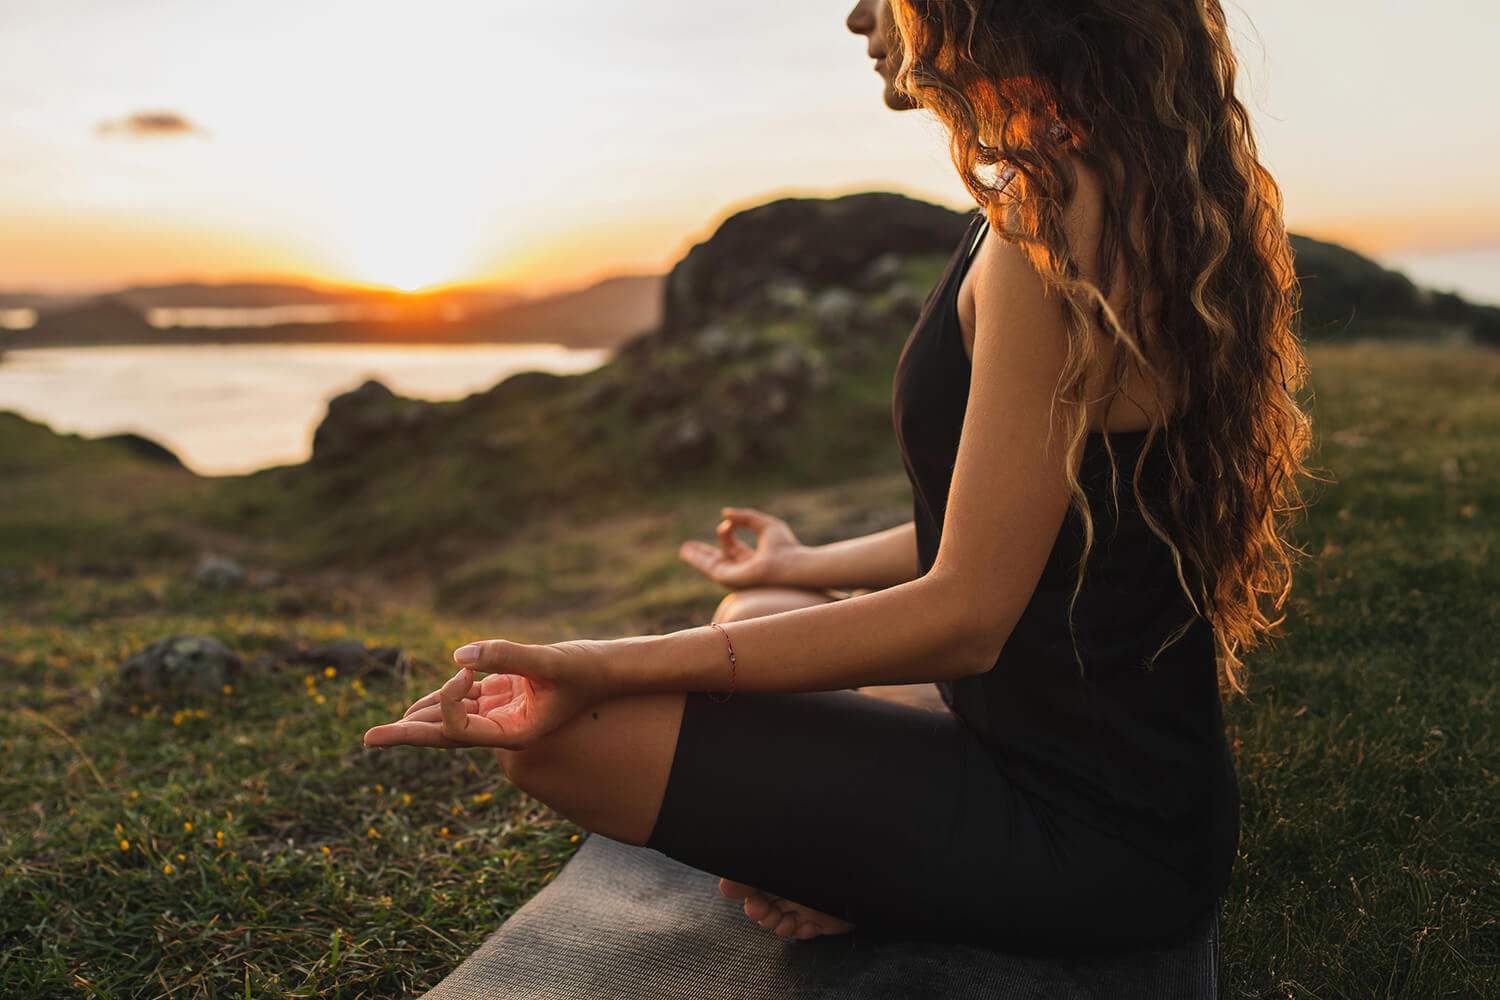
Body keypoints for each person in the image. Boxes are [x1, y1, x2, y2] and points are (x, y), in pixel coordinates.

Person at [364, 0, 1312, 953]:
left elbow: (966, 616)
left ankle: (882, 884)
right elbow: (1026, 526)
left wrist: (592, 661)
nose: (858, 15)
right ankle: (877, 858)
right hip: (1061, 750)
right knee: (762, 610)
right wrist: (808, 559)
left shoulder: (1063, 227)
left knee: (569, 732)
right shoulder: (1078, 186)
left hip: (1098, 830)